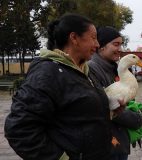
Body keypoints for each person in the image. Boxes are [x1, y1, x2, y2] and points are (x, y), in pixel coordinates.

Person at [4, 14, 112, 160]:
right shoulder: (47, 73)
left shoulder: (83, 70)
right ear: (74, 38)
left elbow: (78, 114)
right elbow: (19, 129)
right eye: (93, 38)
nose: (98, 44)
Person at [88, 26, 142, 160]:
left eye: (121, 45)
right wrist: (136, 119)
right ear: (101, 46)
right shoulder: (92, 69)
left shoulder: (114, 68)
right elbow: (104, 106)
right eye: (116, 44)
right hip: (106, 145)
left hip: (118, 142)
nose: (120, 49)